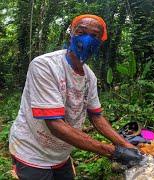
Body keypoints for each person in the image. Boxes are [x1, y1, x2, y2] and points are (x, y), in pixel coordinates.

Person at [9, 14, 143, 180]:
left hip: (61, 153)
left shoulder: (90, 76)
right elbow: (55, 124)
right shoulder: (45, 65)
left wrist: (126, 145)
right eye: (81, 32)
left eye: (94, 36)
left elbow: (96, 117)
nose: (87, 39)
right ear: (71, 34)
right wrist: (115, 152)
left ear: (100, 42)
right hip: (31, 151)